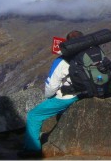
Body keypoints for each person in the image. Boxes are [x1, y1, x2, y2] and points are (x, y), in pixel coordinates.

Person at [19, 30, 84, 158]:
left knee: (34, 115)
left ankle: (32, 150)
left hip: (68, 97)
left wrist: (48, 97)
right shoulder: (91, 53)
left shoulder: (62, 61)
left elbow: (51, 86)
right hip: (87, 92)